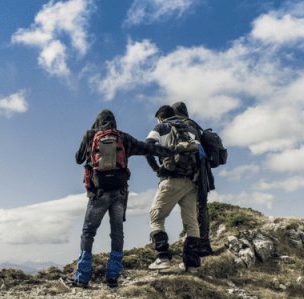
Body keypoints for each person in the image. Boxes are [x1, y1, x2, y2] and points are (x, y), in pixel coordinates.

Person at [74, 109, 175, 288]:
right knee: (117, 233)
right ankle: (112, 277)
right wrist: (172, 151)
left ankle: (82, 278)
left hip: (98, 193)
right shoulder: (123, 137)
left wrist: (90, 137)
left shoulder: (91, 135)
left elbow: (78, 158)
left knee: (88, 232)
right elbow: (147, 148)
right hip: (119, 194)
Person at [145, 105, 203, 273]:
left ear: (161, 118)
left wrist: (156, 168)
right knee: (191, 222)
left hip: (171, 180)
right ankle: (191, 264)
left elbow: (148, 146)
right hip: (191, 182)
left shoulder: (160, 127)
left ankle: (162, 258)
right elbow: (200, 153)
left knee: (155, 217)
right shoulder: (190, 130)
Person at [171, 102, 215, 256]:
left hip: (193, 174)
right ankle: (203, 245)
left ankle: (198, 246)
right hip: (202, 172)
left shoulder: (182, 126)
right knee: (200, 208)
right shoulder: (193, 124)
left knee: (195, 209)